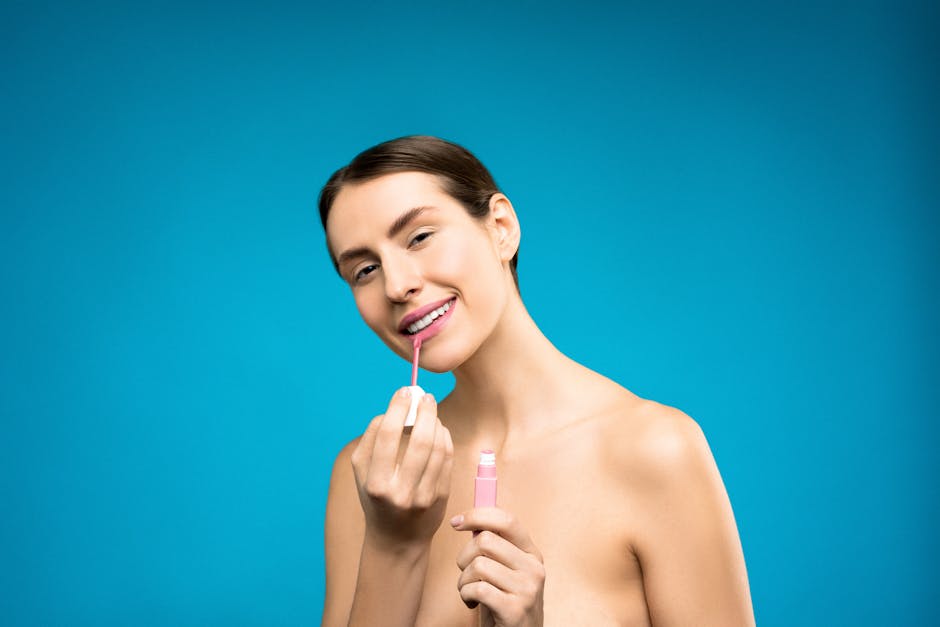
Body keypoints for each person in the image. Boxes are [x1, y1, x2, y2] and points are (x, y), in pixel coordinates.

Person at [318, 135, 755, 626]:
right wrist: (393, 547)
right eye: (365, 269)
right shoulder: (372, 479)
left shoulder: (654, 449)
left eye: (419, 237)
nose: (396, 285)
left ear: (501, 228)